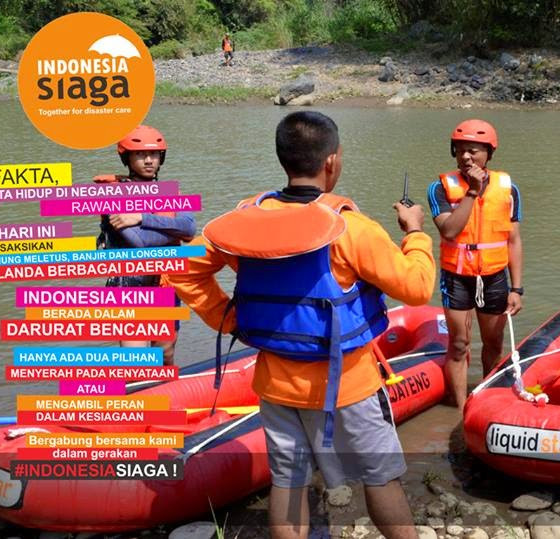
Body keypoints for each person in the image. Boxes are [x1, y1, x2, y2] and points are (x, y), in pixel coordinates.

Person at [166, 111, 433, 539]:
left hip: (275, 384)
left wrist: (229, 319)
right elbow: (418, 288)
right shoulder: (352, 229)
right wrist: (416, 234)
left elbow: (179, 270)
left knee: (287, 481)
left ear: (282, 159)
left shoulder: (245, 220)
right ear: (332, 161)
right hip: (350, 386)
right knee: (380, 477)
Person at [427, 119, 523, 413]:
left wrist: (516, 287)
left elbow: (514, 240)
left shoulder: (508, 188)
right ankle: (459, 410)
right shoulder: (440, 188)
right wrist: (472, 191)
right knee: (458, 344)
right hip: (456, 277)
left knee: (493, 344)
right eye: (460, 151)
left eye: (473, 151)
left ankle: (488, 405)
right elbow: (450, 231)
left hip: (494, 276)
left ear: (489, 154)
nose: (466, 157)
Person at [95, 125, 195, 366]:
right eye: (140, 155)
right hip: (129, 285)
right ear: (126, 158)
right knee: (134, 362)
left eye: (154, 155)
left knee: (166, 353)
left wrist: (143, 217)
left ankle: (170, 398)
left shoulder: (172, 192)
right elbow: (140, 243)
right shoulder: (112, 195)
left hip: (163, 283)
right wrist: (173, 230)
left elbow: (190, 229)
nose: (149, 160)